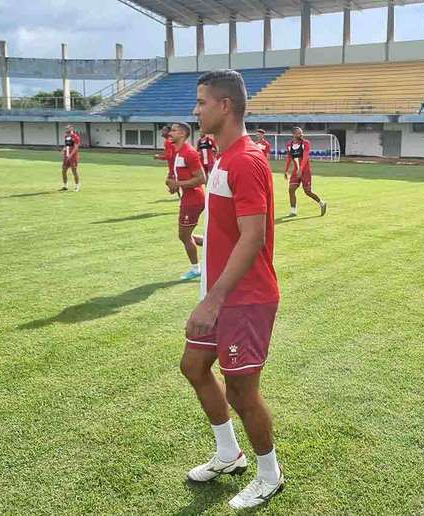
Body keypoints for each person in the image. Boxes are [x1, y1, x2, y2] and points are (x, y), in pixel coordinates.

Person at [182, 69, 283, 510]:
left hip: (245, 298)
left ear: (224, 106)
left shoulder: (246, 158)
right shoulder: (223, 156)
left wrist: (213, 297)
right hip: (222, 294)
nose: (196, 109)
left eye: (202, 102)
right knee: (194, 366)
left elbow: (254, 236)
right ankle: (229, 454)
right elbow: (233, 228)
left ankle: (270, 474)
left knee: (242, 391)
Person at [165, 122, 206, 281]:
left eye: (174, 131)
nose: (170, 133)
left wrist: (178, 184)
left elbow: (201, 178)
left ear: (182, 134)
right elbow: (180, 176)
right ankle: (213, 243)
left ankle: (196, 269)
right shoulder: (177, 151)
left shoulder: (189, 153)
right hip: (187, 198)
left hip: (194, 199)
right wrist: (172, 184)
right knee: (184, 235)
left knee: (184, 235)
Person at [285, 127, 327, 217]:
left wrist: (301, 168)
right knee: (291, 189)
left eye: (301, 133)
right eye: (298, 133)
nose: (301, 134)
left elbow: (305, 157)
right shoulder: (289, 145)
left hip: (305, 171)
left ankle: (321, 203)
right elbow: (289, 158)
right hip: (296, 171)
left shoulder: (306, 143)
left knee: (307, 192)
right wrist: (286, 170)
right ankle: (293, 210)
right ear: (293, 134)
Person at [60, 125, 82, 191]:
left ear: (72, 128)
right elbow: (67, 145)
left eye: (68, 128)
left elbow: (75, 148)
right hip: (66, 156)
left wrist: (70, 155)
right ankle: (65, 186)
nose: (66, 129)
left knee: (74, 171)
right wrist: (63, 150)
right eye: (66, 128)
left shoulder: (75, 137)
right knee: (63, 171)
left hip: (73, 157)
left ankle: (77, 186)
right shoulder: (66, 136)